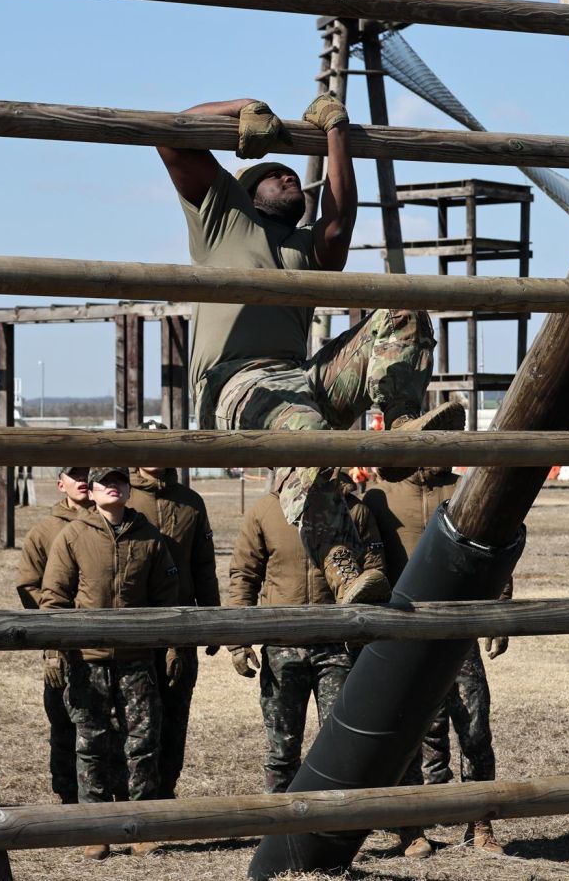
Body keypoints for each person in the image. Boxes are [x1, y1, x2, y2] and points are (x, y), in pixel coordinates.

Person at [156, 93, 464, 606]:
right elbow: (172, 131)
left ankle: (400, 423)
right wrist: (241, 108)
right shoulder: (222, 217)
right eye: (279, 174)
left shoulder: (305, 249)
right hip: (235, 385)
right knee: (308, 431)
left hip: (300, 384)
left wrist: (338, 130)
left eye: (297, 177)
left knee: (402, 307)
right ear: (249, 189)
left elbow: (339, 219)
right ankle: (342, 565)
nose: (291, 179)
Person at [364, 465, 513, 858]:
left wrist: (499, 610)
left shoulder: (464, 487)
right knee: (405, 733)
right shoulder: (381, 495)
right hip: (404, 634)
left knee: (475, 729)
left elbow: (495, 540)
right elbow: (369, 560)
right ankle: (412, 828)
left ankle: (480, 822)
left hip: (460, 631)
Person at [40, 466, 181, 861]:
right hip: (88, 662)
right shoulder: (73, 536)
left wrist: (170, 647)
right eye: (103, 482)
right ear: (93, 491)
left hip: (138, 661)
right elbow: (54, 599)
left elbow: (167, 600)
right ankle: (96, 828)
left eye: (119, 482)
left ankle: (141, 826)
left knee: (143, 743)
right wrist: (55, 651)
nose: (112, 487)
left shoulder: (151, 538)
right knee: (91, 744)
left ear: (127, 488)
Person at [228, 487, 385, 793]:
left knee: (339, 745)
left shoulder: (355, 510)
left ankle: (335, 829)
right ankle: (279, 827)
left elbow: (375, 573)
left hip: (338, 647)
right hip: (282, 645)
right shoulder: (266, 510)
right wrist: (238, 641)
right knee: (282, 748)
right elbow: (244, 574)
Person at [128, 424, 221, 800]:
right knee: (135, 721)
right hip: (132, 628)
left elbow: (204, 565)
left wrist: (212, 621)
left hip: (181, 626)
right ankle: (132, 801)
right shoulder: (122, 498)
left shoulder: (190, 502)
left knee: (174, 715)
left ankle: (165, 796)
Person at [16, 466, 93, 806]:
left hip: (109, 643)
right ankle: (67, 795)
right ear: (60, 484)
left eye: (89, 474)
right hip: (63, 642)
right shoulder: (44, 531)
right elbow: (28, 584)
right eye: (75, 475)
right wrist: (53, 633)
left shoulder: (115, 522)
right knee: (63, 721)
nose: (83, 480)